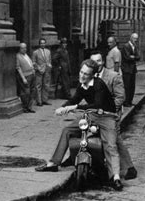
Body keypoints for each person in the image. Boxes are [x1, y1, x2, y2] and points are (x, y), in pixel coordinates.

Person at [35, 59, 123, 191]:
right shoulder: (82, 85)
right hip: (91, 115)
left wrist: (74, 107)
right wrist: (62, 108)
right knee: (67, 130)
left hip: (106, 116)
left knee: (110, 145)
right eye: (81, 72)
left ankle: (115, 177)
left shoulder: (98, 84)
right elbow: (74, 98)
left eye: (86, 74)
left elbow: (97, 104)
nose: (82, 76)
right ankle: (53, 163)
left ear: (92, 75)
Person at [90, 52, 137, 180]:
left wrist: (108, 110)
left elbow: (120, 97)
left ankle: (129, 168)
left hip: (112, 113)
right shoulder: (89, 76)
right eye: (93, 62)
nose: (96, 64)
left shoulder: (113, 76)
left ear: (103, 62)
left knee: (114, 138)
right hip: (97, 113)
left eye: (99, 61)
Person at [16, 43, 36, 113]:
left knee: (32, 92)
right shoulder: (18, 56)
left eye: (25, 48)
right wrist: (23, 78)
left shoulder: (26, 55)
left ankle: (30, 107)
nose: (24, 49)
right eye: (23, 48)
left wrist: (33, 69)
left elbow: (30, 63)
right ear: (20, 49)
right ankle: (25, 107)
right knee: (26, 92)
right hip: (25, 76)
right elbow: (18, 68)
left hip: (32, 75)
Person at [121, 33, 140, 107]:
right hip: (127, 69)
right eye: (135, 38)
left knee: (132, 86)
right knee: (127, 86)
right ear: (131, 38)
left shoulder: (134, 46)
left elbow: (138, 57)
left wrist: (133, 57)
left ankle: (130, 101)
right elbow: (127, 57)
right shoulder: (126, 46)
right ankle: (126, 102)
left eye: (136, 39)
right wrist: (134, 57)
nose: (136, 40)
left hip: (132, 69)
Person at [32, 38, 52, 106]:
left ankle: (45, 100)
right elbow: (33, 62)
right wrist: (37, 68)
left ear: (45, 44)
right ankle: (39, 101)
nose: (42, 44)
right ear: (39, 44)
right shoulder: (35, 52)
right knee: (38, 86)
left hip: (46, 70)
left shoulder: (48, 51)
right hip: (39, 71)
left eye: (44, 43)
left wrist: (49, 66)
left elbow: (49, 60)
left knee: (46, 85)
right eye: (41, 43)